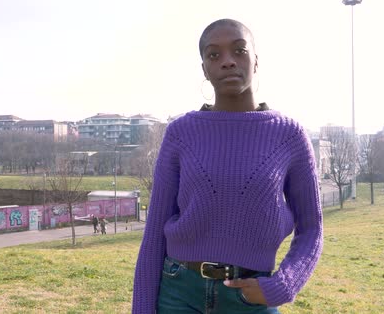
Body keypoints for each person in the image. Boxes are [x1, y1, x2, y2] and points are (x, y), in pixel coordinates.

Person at [132, 19, 323, 313]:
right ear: (204, 69)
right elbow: (155, 231)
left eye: (239, 51)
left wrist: (283, 285)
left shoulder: (289, 135)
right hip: (178, 293)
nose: (228, 62)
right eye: (214, 55)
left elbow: (311, 229)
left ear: (255, 61)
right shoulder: (181, 132)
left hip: (251, 299)